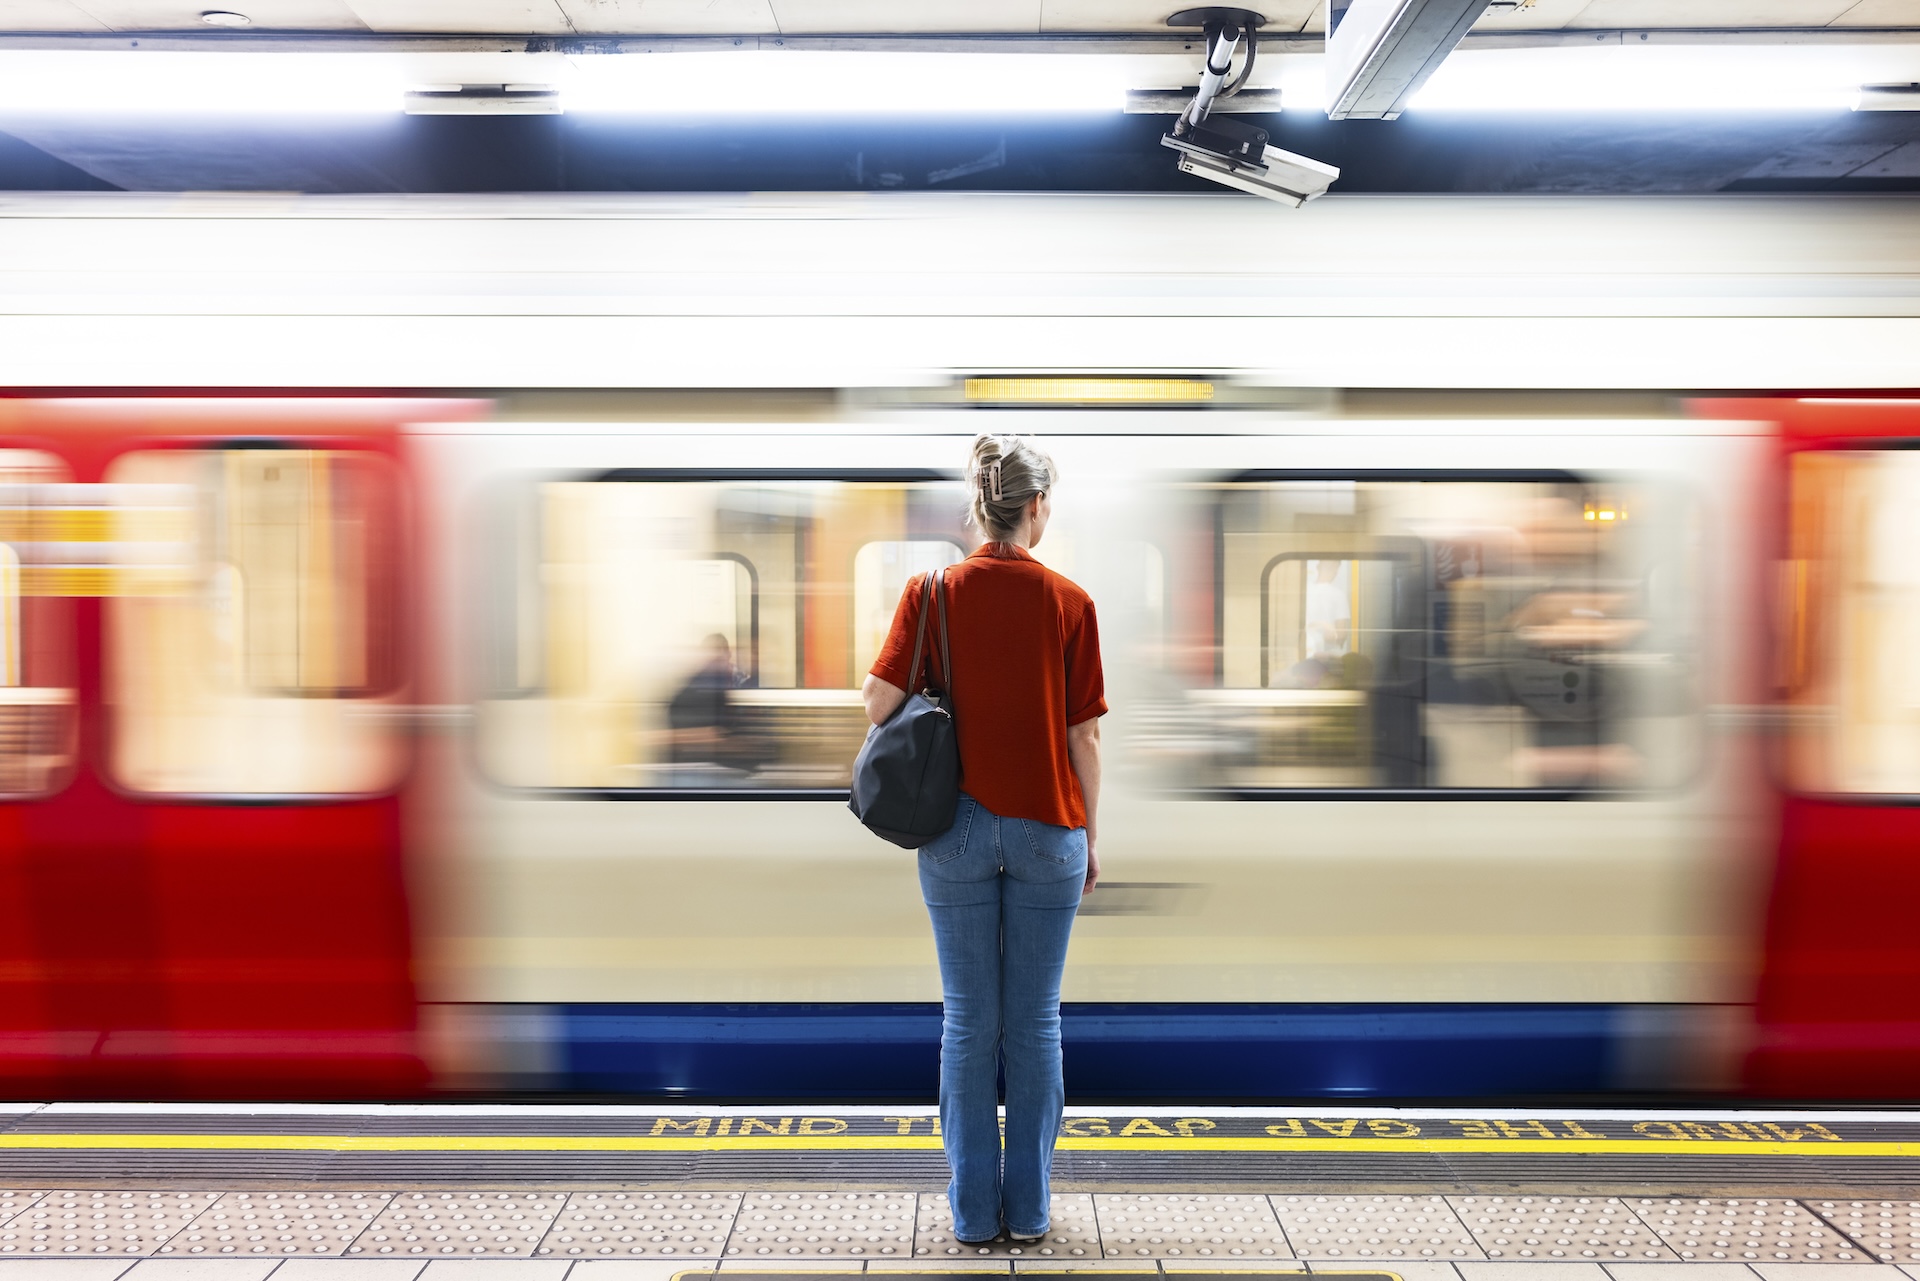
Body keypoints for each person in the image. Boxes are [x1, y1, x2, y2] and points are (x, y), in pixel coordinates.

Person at [862, 434, 1105, 1247]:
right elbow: (1085, 741)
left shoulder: (930, 593)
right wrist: (1089, 837)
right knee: (1034, 1023)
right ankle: (1028, 1213)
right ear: (1036, 507)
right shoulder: (1072, 602)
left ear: (979, 505)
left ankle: (972, 1213)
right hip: (1049, 832)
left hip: (955, 831)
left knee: (968, 1022)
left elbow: (875, 704)